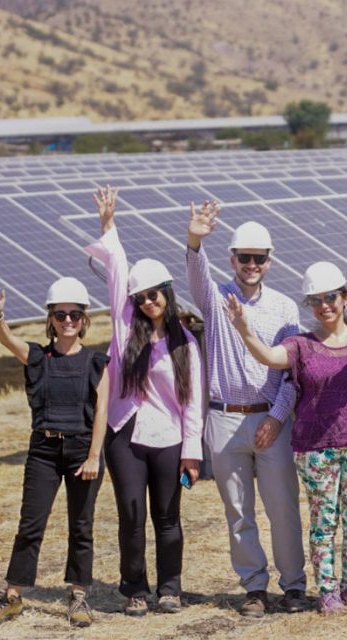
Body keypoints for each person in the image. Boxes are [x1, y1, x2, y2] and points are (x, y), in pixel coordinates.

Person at [226, 261, 347, 615]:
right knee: (324, 522)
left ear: (345, 298)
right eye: (315, 300)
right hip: (315, 449)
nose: (323, 305)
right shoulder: (300, 345)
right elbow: (271, 358)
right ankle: (327, 591)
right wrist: (244, 330)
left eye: (330, 297)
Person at [83, 186, 204, 617]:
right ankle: (134, 587)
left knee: (167, 518)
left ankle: (170, 588)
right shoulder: (123, 328)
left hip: (169, 437)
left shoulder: (184, 343)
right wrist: (108, 223)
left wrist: (192, 453)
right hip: (126, 435)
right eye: (142, 297)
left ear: (168, 294)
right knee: (132, 516)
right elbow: (116, 271)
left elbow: (193, 404)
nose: (149, 302)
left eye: (156, 294)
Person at [185, 202, 309, 617]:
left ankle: (294, 586)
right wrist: (195, 239)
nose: (251, 264)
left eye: (259, 258)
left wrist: (276, 417)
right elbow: (196, 274)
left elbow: (293, 371)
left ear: (269, 261)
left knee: (283, 509)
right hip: (224, 418)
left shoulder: (286, 308)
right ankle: (254, 586)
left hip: (271, 418)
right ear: (232, 259)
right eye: (244, 257)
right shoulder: (216, 298)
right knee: (238, 512)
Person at [0, 278, 109, 628]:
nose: (68, 320)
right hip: (44, 450)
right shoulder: (37, 356)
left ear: (84, 319)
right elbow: (6, 340)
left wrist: (94, 455)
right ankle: (12, 597)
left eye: (75, 314)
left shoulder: (97, 362)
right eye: (60, 314)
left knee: (82, 525)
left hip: (82, 449)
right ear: (50, 318)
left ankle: (78, 596)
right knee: (30, 524)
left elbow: (103, 411)